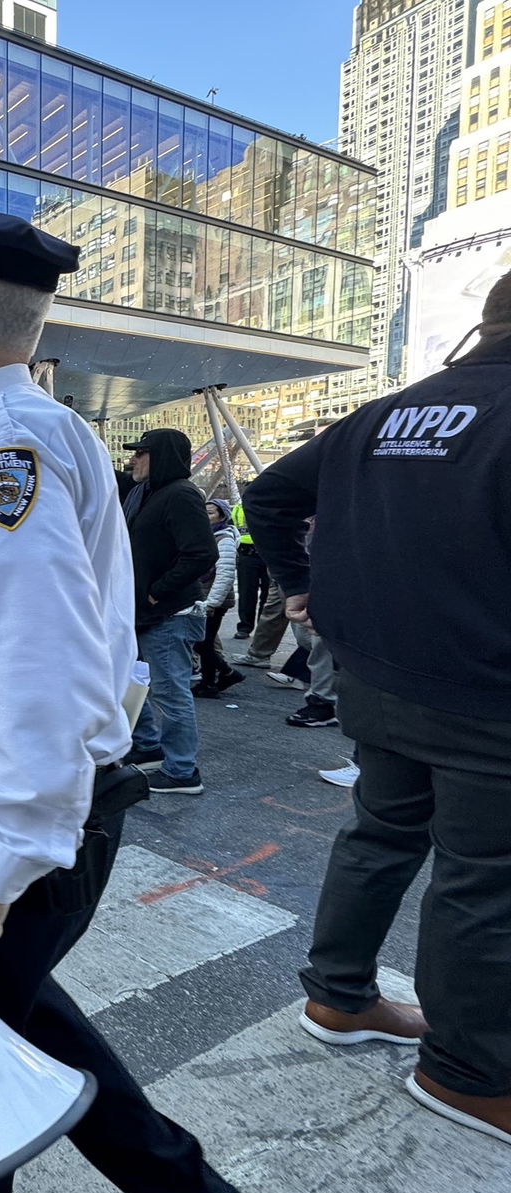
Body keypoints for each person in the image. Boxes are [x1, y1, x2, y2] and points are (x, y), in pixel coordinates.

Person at [0, 203, 246, 1193]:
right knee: (17, 1038)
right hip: (9, 801)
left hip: (3, 809)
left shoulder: (6, 446)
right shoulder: (28, 431)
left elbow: (33, 652)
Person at [244, 273, 511, 1145]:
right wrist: (300, 587)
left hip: (378, 675)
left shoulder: (388, 413)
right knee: (483, 876)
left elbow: (268, 494)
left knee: (382, 831)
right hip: (484, 690)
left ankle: (339, 994)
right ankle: (468, 1073)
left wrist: (303, 590)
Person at [121, 429, 218, 794]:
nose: (134, 459)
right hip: (144, 614)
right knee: (131, 684)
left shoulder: (180, 495)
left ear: (159, 456)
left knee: (170, 692)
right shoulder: (144, 493)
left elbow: (202, 553)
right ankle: (147, 747)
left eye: (141, 453)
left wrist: (157, 593)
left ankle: (182, 771)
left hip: (169, 614)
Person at [193, 499, 245, 699]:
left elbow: (225, 574)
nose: (206, 517)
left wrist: (212, 602)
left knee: (202, 641)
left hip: (214, 600)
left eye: (211, 513)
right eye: (204, 512)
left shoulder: (224, 538)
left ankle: (216, 679)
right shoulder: (206, 536)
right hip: (204, 595)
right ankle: (222, 675)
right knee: (203, 641)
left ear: (223, 516)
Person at [230, 498, 266, 639]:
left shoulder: (271, 506)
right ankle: (245, 627)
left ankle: (262, 628)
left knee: (267, 595)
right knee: (246, 592)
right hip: (247, 554)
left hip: (267, 554)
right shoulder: (238, 509)